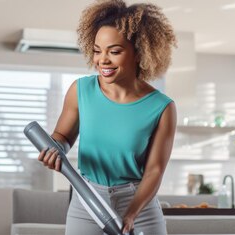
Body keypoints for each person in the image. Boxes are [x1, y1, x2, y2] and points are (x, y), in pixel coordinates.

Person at [37, 0, 177, 234]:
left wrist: (131, 214)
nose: (103, 60)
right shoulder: (80, 91)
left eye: (114, 51)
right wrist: (55, 148)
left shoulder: (162, 107)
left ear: (139, 53)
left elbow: (154, 171)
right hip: (87, 201)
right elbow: (63, 135)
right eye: (97, 51)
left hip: (139, 205)